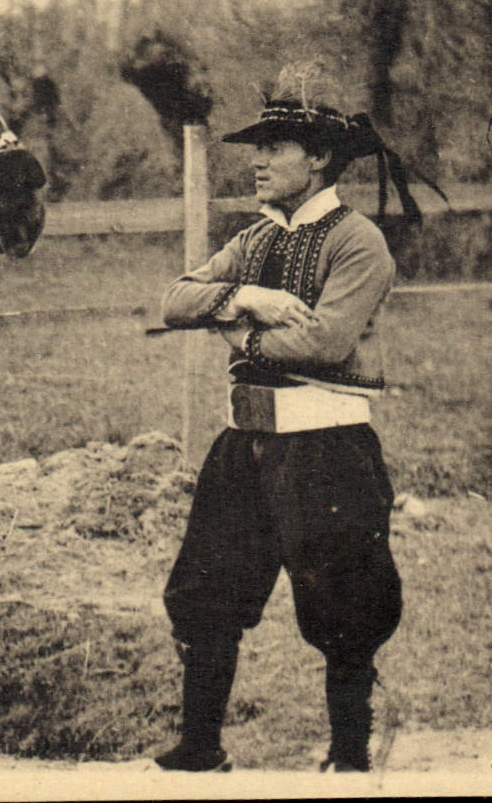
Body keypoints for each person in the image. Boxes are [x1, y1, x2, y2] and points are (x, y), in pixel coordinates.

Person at [153, 64, 430, 774]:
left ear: (319, 158)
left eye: (275, 146)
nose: (258, 160)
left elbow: (323, 342)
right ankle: (200, 749)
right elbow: (175, 300)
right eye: (258, 145)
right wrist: (246, 297)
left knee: (346, 608)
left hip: (327, 448)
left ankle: (348, 759)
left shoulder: (357, 241)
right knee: (205, 594)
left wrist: (232, 332)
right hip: (242, 445)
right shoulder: (254, 241)